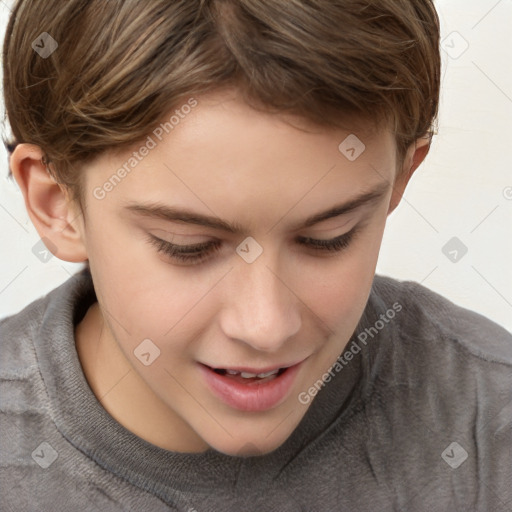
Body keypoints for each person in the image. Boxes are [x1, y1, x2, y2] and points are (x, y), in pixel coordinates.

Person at [1, 1, 510, 510]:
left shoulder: (490, 421)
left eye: (329, 236)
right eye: (189, 247)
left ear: (400, 177)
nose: (265, 327)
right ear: (56, 205)